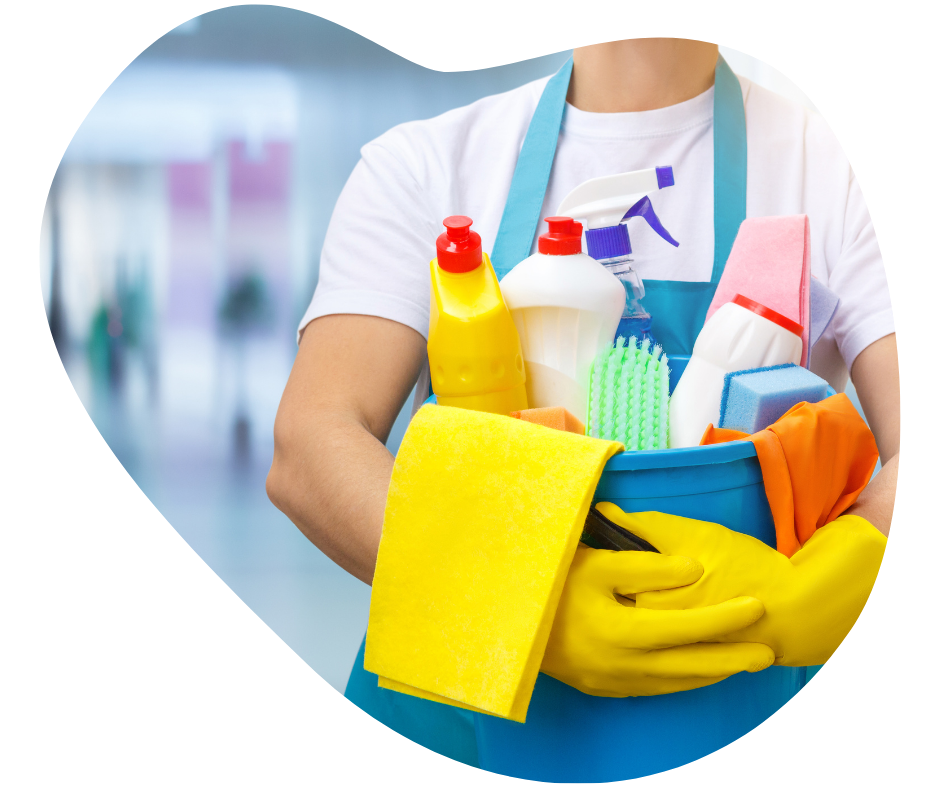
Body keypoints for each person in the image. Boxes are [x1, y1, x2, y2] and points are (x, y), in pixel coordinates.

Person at [266, 38, 898, 768]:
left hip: (742, 670)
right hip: (462, 708)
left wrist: (835, 579)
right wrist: (518, 597)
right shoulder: (428, 163)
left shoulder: (828, 170)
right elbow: (313, 438)